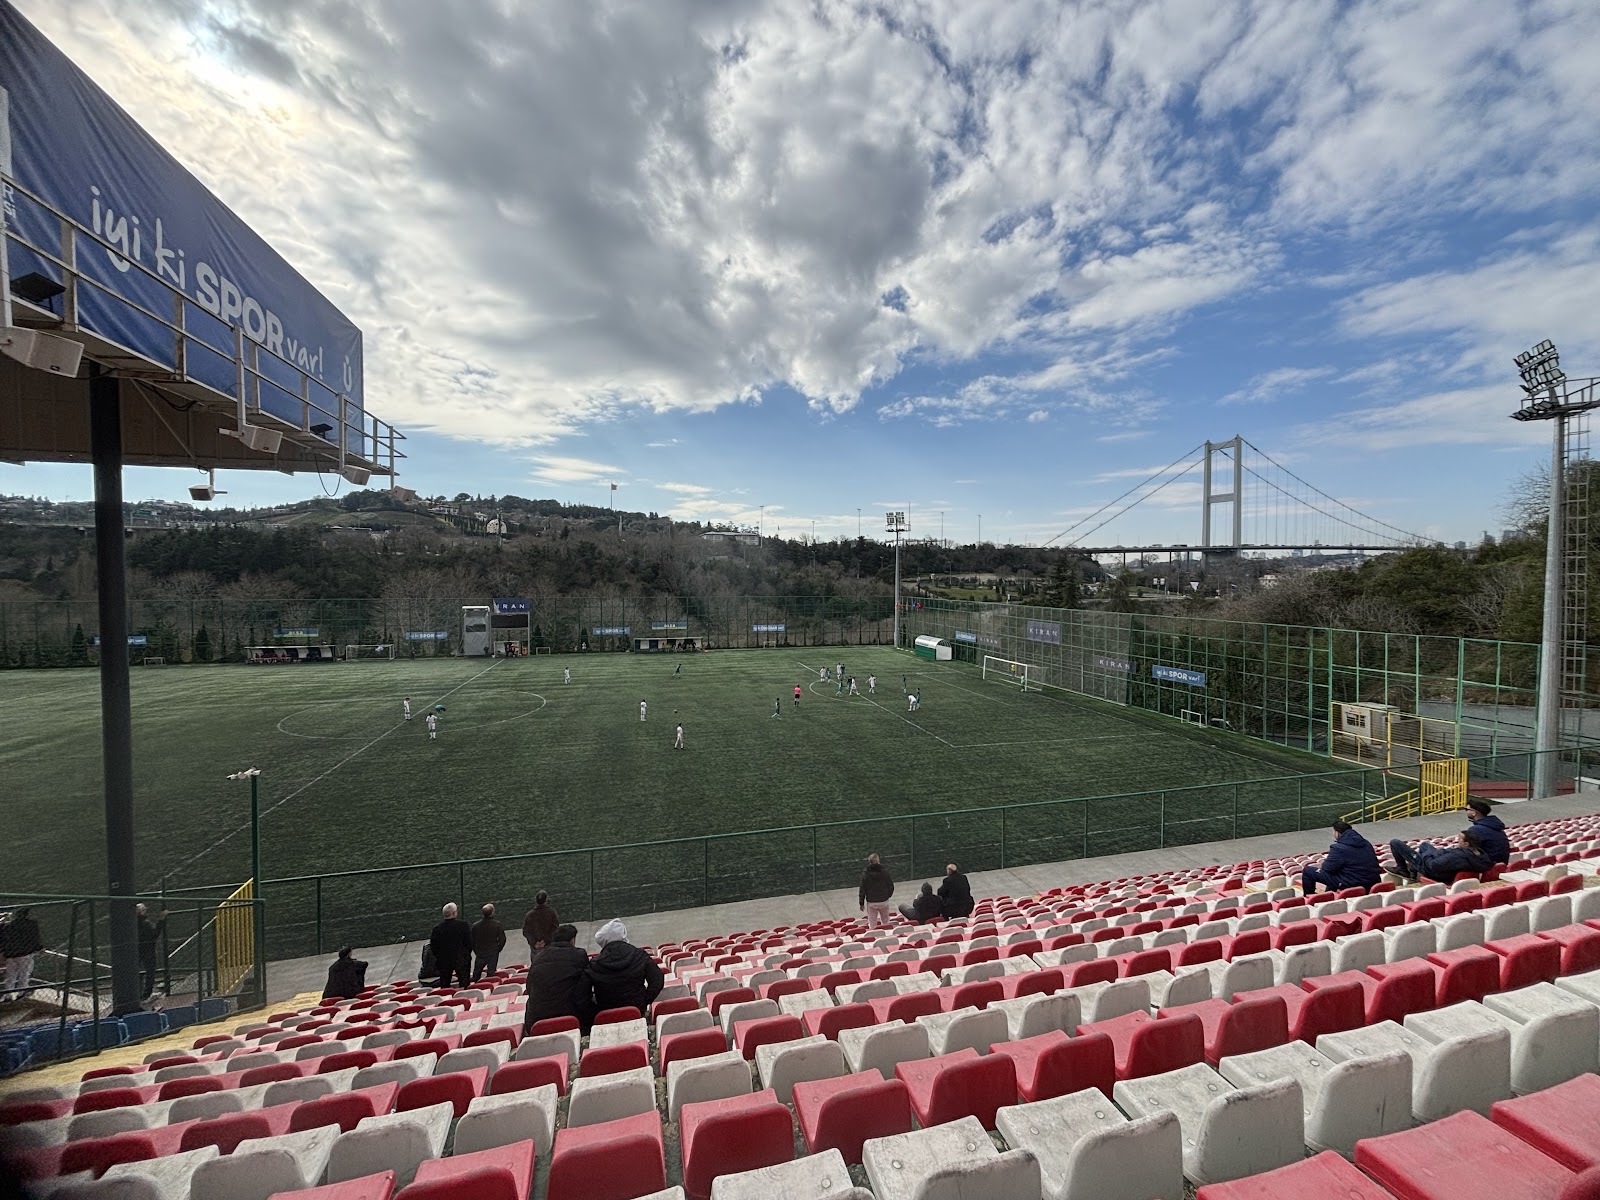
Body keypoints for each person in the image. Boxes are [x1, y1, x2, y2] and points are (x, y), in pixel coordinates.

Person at [522, 923, 594, 1034]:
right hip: (572, 1017)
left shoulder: (538, 958)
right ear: (572, 940)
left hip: (537, 1020)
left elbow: (529, 988)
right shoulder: (579, 955)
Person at [587, 919, 664, 1016]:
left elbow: (583, 994)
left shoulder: (594, 964)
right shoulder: (639, 955)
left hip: (606, 1013)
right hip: (636, 1010)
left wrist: (596, 1011)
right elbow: (657, 979)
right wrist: (644, 1000)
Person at [1301, 820, 1382, 896]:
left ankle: (1309, 898)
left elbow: (1327, 868)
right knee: (1336, 872)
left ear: (1337, 833)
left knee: (1308, 871)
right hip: (1373, 881)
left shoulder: (1338, 848)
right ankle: (1328, 894)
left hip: (1353, 883)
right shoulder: (1366, 843)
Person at [1389, 828, 1493, 883]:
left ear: (1466, 844)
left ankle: (1403, 869)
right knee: (1425, 845)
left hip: (1431, 870)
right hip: (1443, 865)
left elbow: (1432, 865)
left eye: (1460, 839)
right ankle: (1413, 870)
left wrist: (1428, 855)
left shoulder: (1458, 856)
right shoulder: (1481, 855)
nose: (1457, 840)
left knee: (1395, 842)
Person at [0, 908, 43, 1000]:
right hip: (25, 953)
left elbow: (2, 936)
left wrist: (3, 919)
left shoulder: (8, 926)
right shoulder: (31, 924)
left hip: (10, 954)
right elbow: (35, 937)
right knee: (24, 974)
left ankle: (8, 994)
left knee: (10, 975)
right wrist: (39, 948)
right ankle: (21, 992)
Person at [429, 902, 474, 988]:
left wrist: (439, 957)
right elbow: (469, 942)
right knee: (465, 984)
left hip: (444, 961)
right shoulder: (463, 925)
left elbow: (434, 946)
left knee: (445, 986)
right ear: (454, 913)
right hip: (461, 959)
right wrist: (466, 954)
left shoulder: (437, 929)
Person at [136, 903, 168, 1001]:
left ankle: (138, 993)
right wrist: (161, 920)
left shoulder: (131, 923)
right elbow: (154, 934)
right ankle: (146, 994)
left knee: (137, 971)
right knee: (150, 972)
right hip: (148, 949)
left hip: (137, 949)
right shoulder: (145, 923)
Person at [1466, 798, 1511, 865]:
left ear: (1474, 813)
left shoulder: (1475, 830)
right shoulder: (1496, 827)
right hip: (1500, 864)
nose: (1466, 811)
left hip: (1487, 865)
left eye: (1467, 809)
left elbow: (1468, 851)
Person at [471, 903, 506, 982]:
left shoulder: (475, 926)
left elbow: (472, 941)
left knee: (476, 975)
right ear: (492, 912)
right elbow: (502, 939)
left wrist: (476, 951)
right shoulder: (497, 924)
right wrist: (497, 949)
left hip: (480, 953)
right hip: (492, 953)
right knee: (491, 975)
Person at [858, 853, 895, 927]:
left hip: (871, 902)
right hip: (884, 901)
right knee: (886, 922)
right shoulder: (884, 871)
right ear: (878, 861)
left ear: (870, 862)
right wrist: (887, 895)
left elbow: (862, 889)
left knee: (872, 924)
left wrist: (861, 903)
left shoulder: (866, 874)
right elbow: (891, 885)